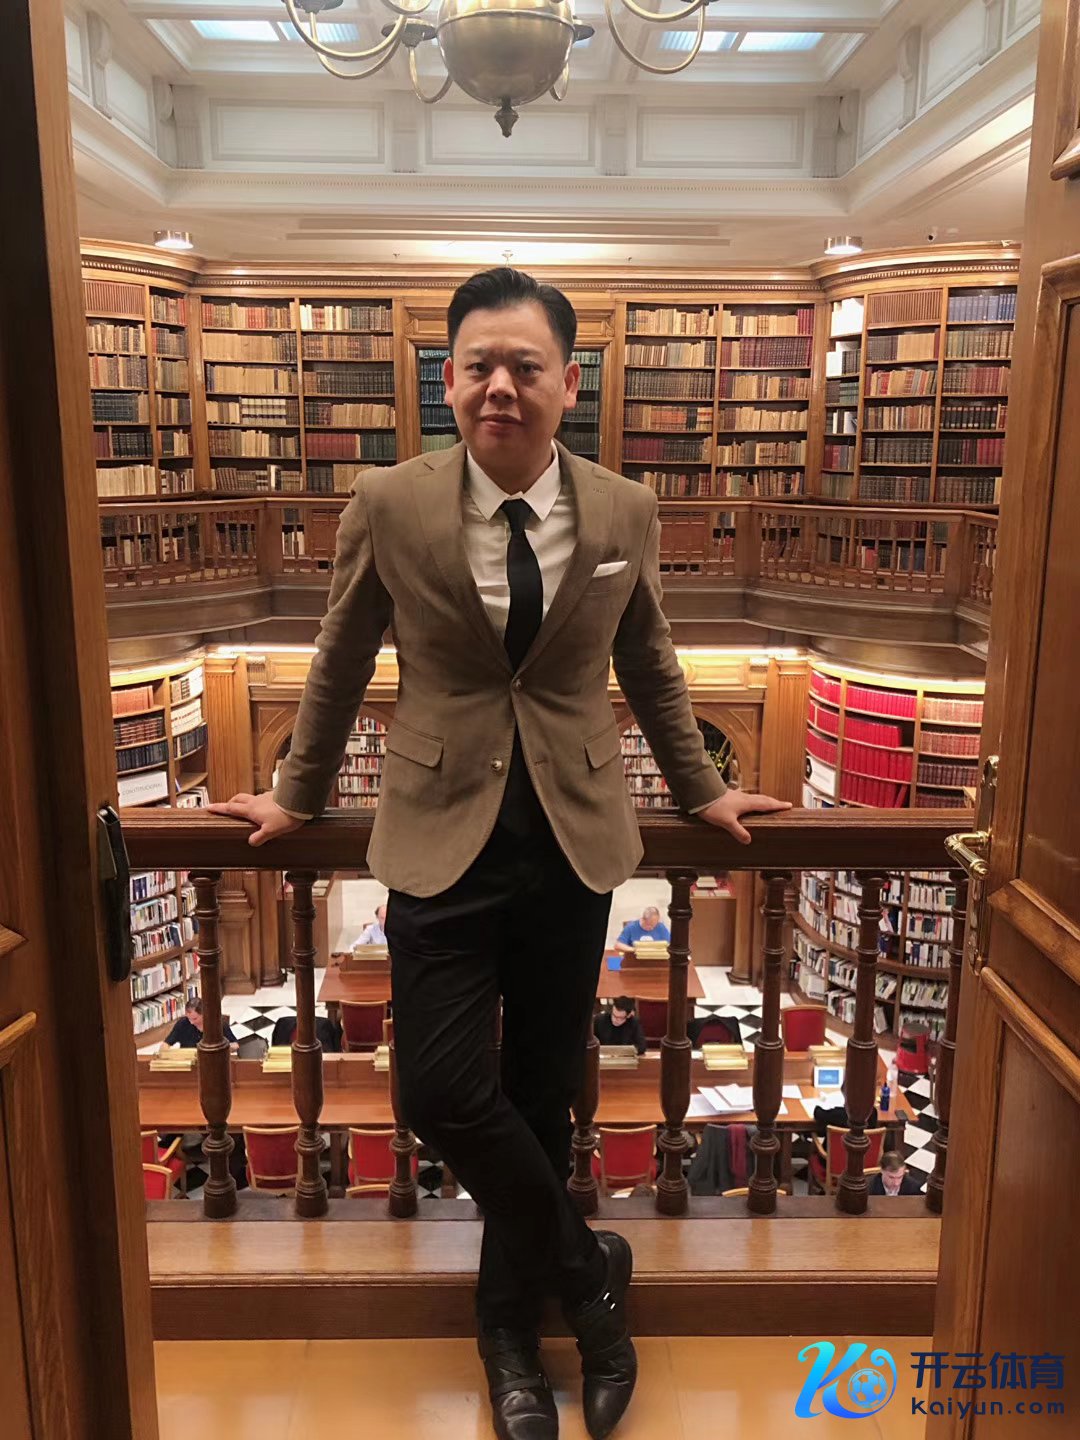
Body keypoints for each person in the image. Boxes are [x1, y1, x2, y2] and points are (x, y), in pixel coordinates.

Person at [210, 266, 790, 1440]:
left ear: (570, 382)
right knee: (438, 1089)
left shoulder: (624, 510)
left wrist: (705, 789)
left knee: (537, 1096)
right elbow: (339, 655)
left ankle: (510, 1342)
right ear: (449, 380)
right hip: (438, 836)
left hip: (575, 841)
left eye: (526, 366)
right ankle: (590, 1277)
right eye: (478, 365)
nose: (501, 387)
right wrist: (295, 792)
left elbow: (650, 660)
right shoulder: (391, 501)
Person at [163, 997, 237, 1049]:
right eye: (189, 1018)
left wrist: (224, 1047)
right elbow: (166, 1043)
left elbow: (235, 1045)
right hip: (189, 1061)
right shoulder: (182, 1023)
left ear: (204, 1014)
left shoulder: (218, 1023)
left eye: (195, 1019)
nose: (191, 1022)